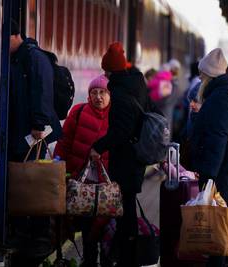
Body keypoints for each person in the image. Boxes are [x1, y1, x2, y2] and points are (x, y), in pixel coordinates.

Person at [89, 42, 158, 267]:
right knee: (126, 205)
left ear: (110, 71)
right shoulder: (138, 83)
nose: (105, 75)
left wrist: (98, 146)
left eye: (106, 70)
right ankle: (123, 253)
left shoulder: (119, 93)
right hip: (137, 156)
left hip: (126, 158)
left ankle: (124, 255)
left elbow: (121, 130)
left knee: (125, 210)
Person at [8, 19, 62, 266]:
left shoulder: (34, 58)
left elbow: (42, 91)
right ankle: (25, 235)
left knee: (36, 180)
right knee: (26, 179)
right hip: (24, 131)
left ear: (13, 36)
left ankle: (39, 237)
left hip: (36, 132)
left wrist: (39, 125)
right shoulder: (21, 57)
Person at [190, 48, 228, 267]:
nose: (199, 77)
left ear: (210, 74)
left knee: (221, 220)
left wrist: (209, 174)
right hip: (224, 167)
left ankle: (220, 262)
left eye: (202, 73)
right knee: (225, 218)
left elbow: (218, 136)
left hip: (220, 170)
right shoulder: (222, 94)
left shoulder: (221, 97)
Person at [55, 75, 111, 267]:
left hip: (107, 185)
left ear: (110, 94)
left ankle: (106, 260)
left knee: (106, 226)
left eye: (103, 92)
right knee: (87, 227)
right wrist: (59, 169)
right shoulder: (78, 112)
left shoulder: (118, 117)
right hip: (83, 182)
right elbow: (64, 143)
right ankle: (89, 261)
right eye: (94, 93)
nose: (98, 97)